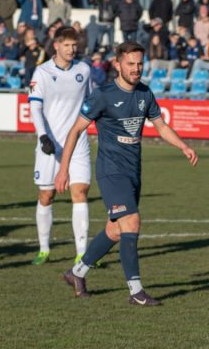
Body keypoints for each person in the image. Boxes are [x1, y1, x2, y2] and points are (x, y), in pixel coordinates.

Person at [55, 41, 198, 304]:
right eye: (130, 64)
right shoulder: (103, 95)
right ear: (118, 64)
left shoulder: (145, 93)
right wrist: (63, 169)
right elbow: (75, 130)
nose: (136, 69)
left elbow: (161, 125)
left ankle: (77, 272)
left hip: (133, 170)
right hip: (111, 171)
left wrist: (183, 146)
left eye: (139, 64)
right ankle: (136, 292)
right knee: (131, 222)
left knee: (116, 230)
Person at [28, 26, 94, 266]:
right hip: (50, 144)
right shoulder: (42, 72)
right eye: (66, 45)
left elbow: (90, 102)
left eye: (74, 45)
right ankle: (44, 249)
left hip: (78, 143)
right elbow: (35, 105)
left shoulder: (84, 70)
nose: (71, 49)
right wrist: (43, 135)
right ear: (56, 45)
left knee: (80, 192)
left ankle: (82, 253)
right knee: (47, 195)